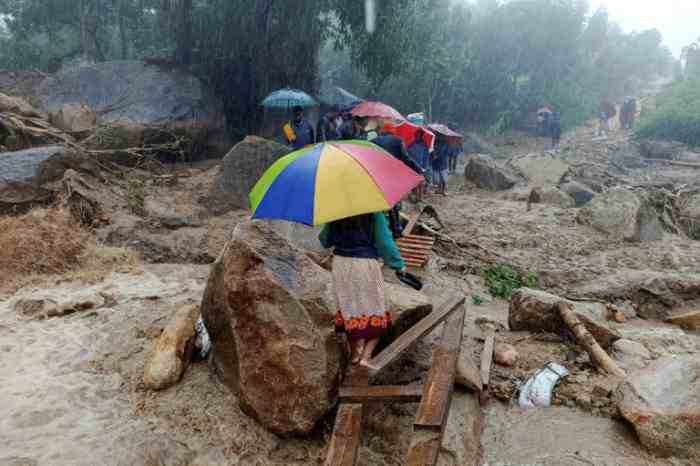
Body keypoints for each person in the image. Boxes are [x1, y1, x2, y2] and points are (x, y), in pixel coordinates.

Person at [319, 213, 405, 365]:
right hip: (365, 265)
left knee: (348, 308)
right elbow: (385, 243)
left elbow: (324, 240)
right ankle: (366, 356)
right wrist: (398, 264)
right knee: (377, 310)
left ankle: (354, 354)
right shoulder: (374, 213)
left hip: (341, 265)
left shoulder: (336, 211)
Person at [407, 130, 430, 202]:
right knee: (415, 183)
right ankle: (416, 197)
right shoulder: (411, 144)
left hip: (421, 166)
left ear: (421, 136)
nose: (418, 136)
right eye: (417, 135)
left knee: (421, 183)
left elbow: (426, 156)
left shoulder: (424, 145)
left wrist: (425, 166)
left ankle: (420, 198)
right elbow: (408, 154)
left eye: (419, 135)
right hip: (413, 166)